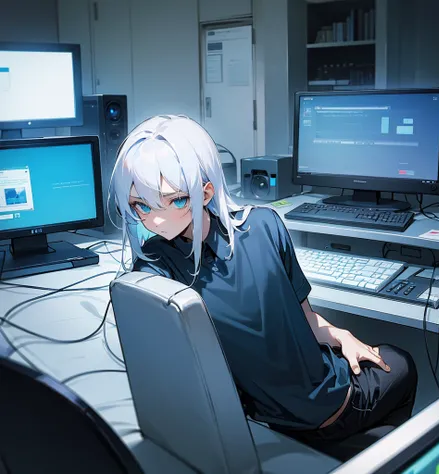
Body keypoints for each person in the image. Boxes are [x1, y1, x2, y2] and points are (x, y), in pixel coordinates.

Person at [111, 114, 418, 456]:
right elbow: (307, 319)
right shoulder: (264, 223)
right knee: (401, 361)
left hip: (262, 421)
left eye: (175, 200)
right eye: (142, 205)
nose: (155, 218)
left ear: (206, 191)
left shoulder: (151, 271)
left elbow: (185, 378)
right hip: (325, 410)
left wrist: (340, 336)